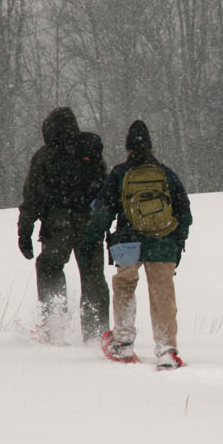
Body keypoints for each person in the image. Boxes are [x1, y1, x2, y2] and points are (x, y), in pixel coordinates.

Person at [83, 120, 192, 370]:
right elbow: (185, 213)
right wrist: (177, 244)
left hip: (128, 243)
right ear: (151, 146)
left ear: (127, 148)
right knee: (162, 295)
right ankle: (166, 350)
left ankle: (122, 344)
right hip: (163, 243)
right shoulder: (165, 173)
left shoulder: (120, 174)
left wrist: (91, 239)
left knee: (124, 287)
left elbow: (103, 212)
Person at [17, 107, 109, 344]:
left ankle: (53, 324)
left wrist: (24, 230)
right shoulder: (90, 150)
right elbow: (104, 188)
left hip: (57, 225)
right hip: (88, 223)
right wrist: (104, 221)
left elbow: (32, 198)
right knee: (93, 276)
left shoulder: (44, 156)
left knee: (49, 267)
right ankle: (97, 331)